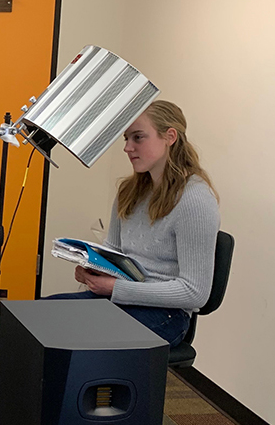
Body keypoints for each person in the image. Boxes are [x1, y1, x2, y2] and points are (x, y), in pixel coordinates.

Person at [49, 100, 220, 347]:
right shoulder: (130, 191)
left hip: (166, 315)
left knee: (65, 338)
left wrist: (114, 289)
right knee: (34, 322)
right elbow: (112, 253)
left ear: (169, 137)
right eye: (126, 139)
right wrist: (93, 272)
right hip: (122, 299)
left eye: (138, 138)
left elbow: (195, 292)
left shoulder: (195, 200)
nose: (128, 148)